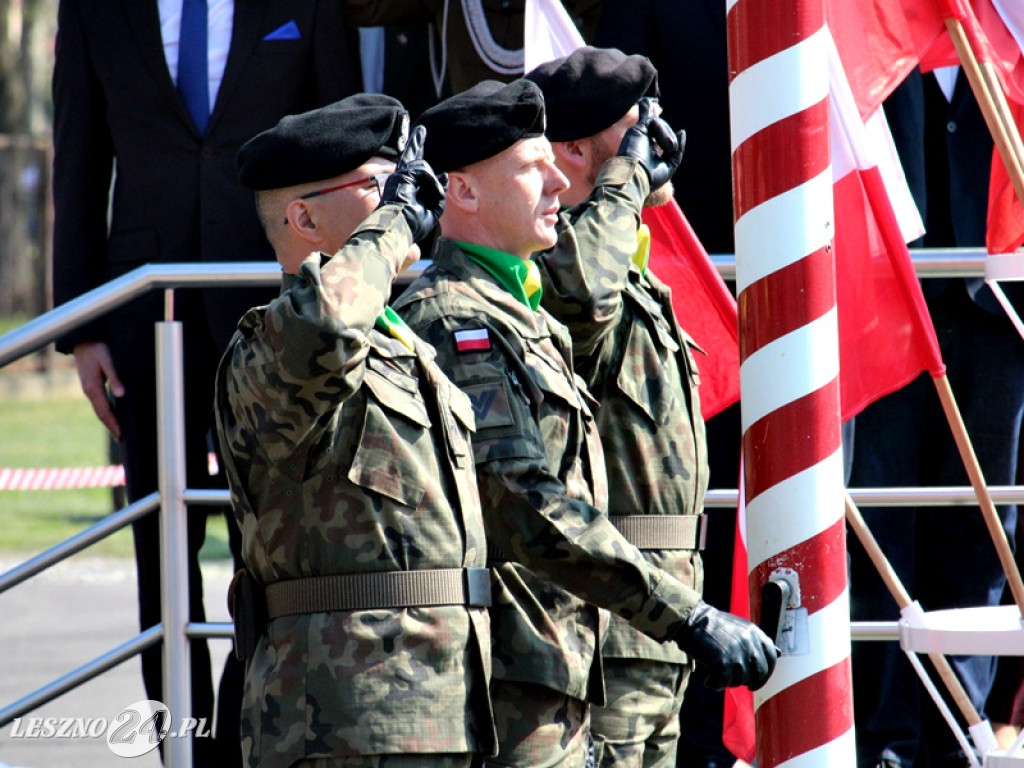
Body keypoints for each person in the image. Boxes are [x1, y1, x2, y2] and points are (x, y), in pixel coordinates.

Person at [394, 77, 777, 767]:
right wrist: (684, 615)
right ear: (465, 191)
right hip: (543, 654)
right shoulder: (457, 319)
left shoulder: (522, 310)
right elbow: (523, 499)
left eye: (552, 166)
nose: (554, 188)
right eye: (530, 169)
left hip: (598, 636)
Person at [50, 2, 358, 764]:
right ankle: (180, 749)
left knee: (284, 546)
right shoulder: (95, 11)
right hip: (142, 321)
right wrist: (83, 330)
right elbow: (79, 159)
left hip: (281, 312)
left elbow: (346, 149)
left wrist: (346, 301)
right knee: (163, 554)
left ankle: (259, 738)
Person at [215, 94, 496, 768]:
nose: (407, 201)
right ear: (304, 216)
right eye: (378, 185)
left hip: (439, 710)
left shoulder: (403, 348)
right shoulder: (275, 342)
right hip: (337, 722)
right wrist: (396, 224)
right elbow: (330, 322)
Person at [524, 45, 713, 767]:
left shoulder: (627, 265)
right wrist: (626, 182)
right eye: (635, 130)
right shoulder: (553, 264)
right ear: (572, 151)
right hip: (607, 627)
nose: (653, 144)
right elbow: (581, 299)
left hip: (660, 621)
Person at [847, 67, 1024, 768]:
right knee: (882, 526)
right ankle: (887, 743)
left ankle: (960, 734)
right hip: (881, 305)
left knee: (982, 532)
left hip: (996, 314)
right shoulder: (867, 20)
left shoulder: (1002, 28)